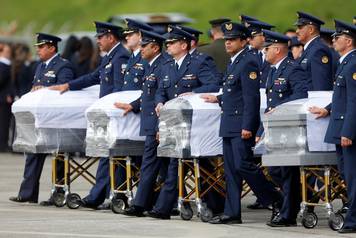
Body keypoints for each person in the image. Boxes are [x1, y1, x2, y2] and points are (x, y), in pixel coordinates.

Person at [200, 22, 282, 224]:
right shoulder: (234, 61)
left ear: (244, 41)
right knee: (230, 171)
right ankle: (232, 212)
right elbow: (233, 93)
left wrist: (248, 126)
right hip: (228, 122)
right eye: (226, 40)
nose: (228, 43)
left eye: (233, 40)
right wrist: (218, 99)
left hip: (240, 124)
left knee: (243, 165)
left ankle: (276, 199)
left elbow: (251, 98)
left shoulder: (248, 62)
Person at [49, 21, 130, 209]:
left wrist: (110, 110)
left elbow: (119, 89)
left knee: (109, 155)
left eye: (101, 37)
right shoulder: (110, 57)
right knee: (106, 155)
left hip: (114, 114)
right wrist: (68, 85)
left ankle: (99, 197)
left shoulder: (120, 57)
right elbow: (94, 77)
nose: (98, 41)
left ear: (111, 37)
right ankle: (104, 195)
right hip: (107, 113)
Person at [146, 25, 220, 220]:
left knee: (201, 166)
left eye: (171, 43)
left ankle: (213, 204)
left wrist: (195, 93)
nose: (167, 46)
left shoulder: (200, 61)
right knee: (177, 164)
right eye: (167, 43)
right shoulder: (168, 65)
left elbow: (214, 84)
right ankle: (166, 208)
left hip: (195, 124)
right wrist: (160, 102)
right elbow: (161, 90)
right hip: (173, 123)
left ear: (183, 44)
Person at [9, 33, 75, 205]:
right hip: (40, 120)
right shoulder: (40, 67)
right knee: (32, 153)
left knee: (59, 157)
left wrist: (44, 88)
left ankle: (59, 194)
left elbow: (64, 90)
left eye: (41, 47)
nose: (37, 50)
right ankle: (27, 193)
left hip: (56, 121)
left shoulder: (63, 66)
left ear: (52, 48)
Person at [309, 20, 356, 234]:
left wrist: (349, 131)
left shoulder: (353, 63)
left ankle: (354, 220)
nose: (334, 41)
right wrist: (327, 109)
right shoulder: (346, 62)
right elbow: (342, 95)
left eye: (338, 38)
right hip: (339, 126)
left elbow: (355, 100)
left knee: (353, 176)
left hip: (347, 130)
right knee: (348, 175)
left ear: (348, 41)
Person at [114, 30, 168, 216]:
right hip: (149, 121)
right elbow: (148, 94)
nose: (141, 48)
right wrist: (133, 105)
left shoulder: (163, 65)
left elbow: (163, 95)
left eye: (145, 46)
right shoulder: (150, 65)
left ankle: (140, 204)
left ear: (155, 47)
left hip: (158, 122)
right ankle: (158, 203)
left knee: (150, 163)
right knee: (161, 165)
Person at [260, 29, 308, 226]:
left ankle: (289, 214)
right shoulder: (274, 70)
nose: (264, 53)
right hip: (276, 128)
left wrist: (280, 109)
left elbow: (300, 93)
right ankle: (288, 203)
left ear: (278, 49)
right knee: (274, 169)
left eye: (267, 49)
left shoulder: (292, 68)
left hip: (288, 127)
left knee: (286, 171)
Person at [295, 11, 334, 90]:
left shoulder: (318, 50)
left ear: (311, 29)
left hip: (313, 101)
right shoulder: (310, 48)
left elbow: (320, 85)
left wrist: (316, 102)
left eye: (300, 27)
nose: (297, 31)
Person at [0, 42, 13, 152]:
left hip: (5, 97)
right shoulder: (3, 65)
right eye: (7, 52)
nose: (9, 54)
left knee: (5, 122)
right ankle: (2, 144)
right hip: (3, 98)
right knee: (3, 123)